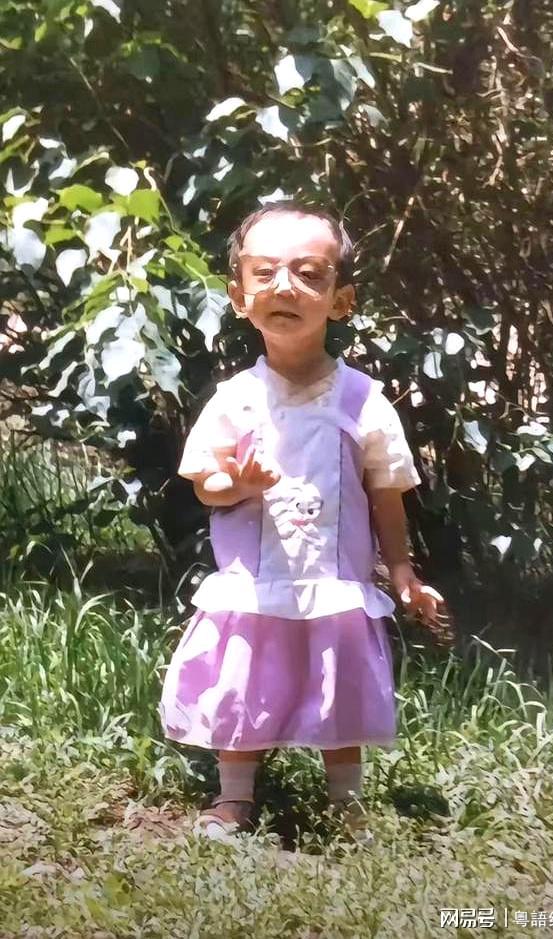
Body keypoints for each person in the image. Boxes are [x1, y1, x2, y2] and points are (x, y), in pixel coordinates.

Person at [159, 200, 452, 841]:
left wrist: (403, 572)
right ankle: (234, 798)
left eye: (308, 274)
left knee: (336, 686)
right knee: (243, 683)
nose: (284, 286)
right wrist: (237, 484)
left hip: (334, 584)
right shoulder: (235, 400)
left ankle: (344, 804)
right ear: (239, 297)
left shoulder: (363, 401)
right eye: (264, 273)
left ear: (340, 301)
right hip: (254, 584)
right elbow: (205, 485)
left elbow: (386, 494)